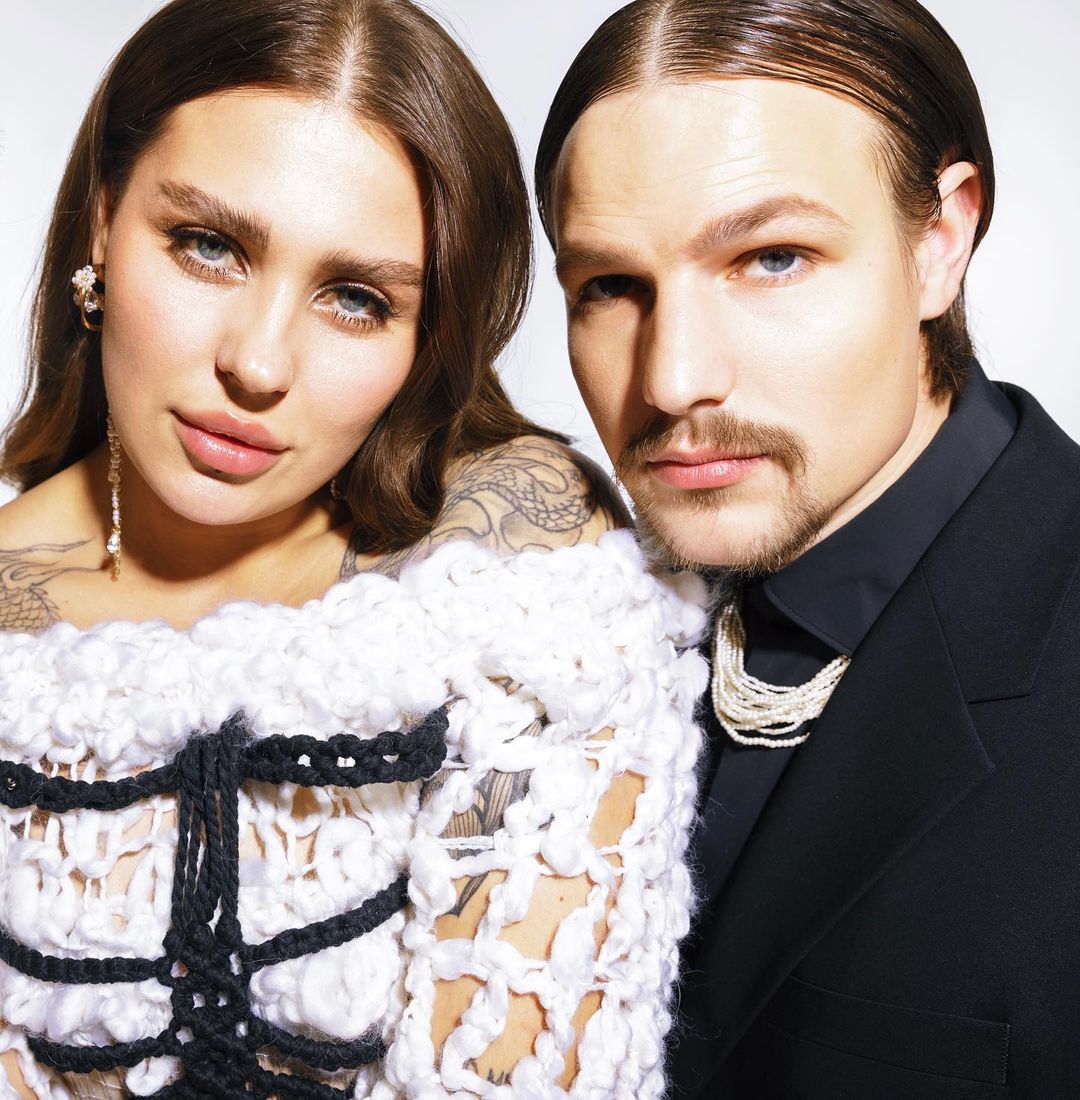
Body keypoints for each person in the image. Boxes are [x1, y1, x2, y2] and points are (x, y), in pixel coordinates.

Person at [0, 1, 708, 1096]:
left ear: (428, 339)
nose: (258, 363)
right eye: (209, 246)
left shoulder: (516, 574)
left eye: (355, 299)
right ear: (102, 223)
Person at [535, 0, 1080, 1096]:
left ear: (941, 241)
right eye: (611, 287)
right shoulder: (545, 620)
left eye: (772, 258)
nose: (672, 378)